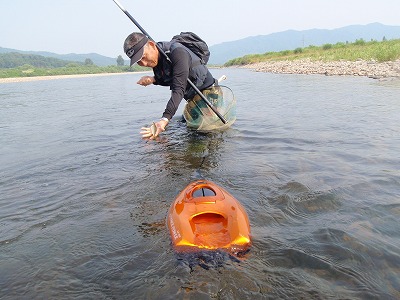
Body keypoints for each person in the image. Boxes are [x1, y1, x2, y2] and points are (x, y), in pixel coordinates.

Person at [123, 32, 216, 139]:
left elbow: (178, 88)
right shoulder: (157, 60)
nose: (144, 64)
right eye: (139, 61)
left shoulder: (178, 53)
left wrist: (164, 119)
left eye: (143, 57)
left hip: (209, 95)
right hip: (193, 98)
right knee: (190, 131)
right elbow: (171, 79)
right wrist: (153, 79)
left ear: (152, 45)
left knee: (205, 136)